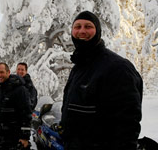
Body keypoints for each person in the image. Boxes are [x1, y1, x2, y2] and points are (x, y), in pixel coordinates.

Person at [60, 11, 143, 150]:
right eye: (77, 26)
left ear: (98, 31)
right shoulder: (79, 67)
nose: (82, 31)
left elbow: (128, 124)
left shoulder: (117, 67)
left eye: (88, 26)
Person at [0, 63, 32, 150]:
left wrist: (25, 136)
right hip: (1, 136)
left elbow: (26, 113)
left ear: (8, 72)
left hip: (15, 137)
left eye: (2, 72)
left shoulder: (20, 90)